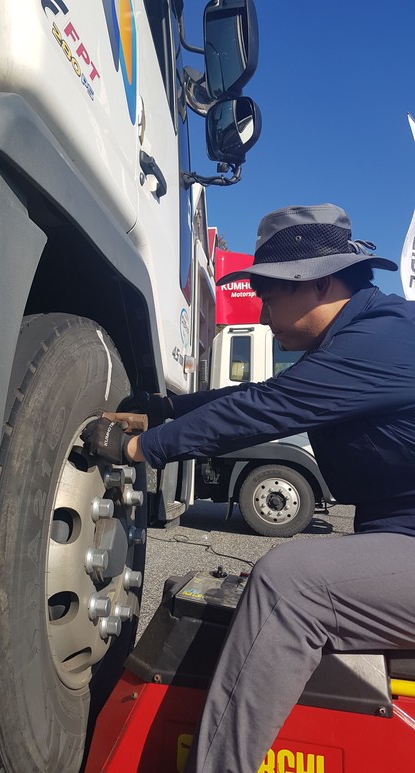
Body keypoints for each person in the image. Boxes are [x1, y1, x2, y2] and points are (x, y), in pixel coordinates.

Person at [81, 203, 415, 773]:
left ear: (321, 283)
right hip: (397, 534)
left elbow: (269, 408)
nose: (260, 313)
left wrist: (141, 448)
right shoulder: (354, 338)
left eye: (270, 292)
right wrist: (164, 410)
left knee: (290, 586)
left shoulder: (388, 339)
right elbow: (257, 396)